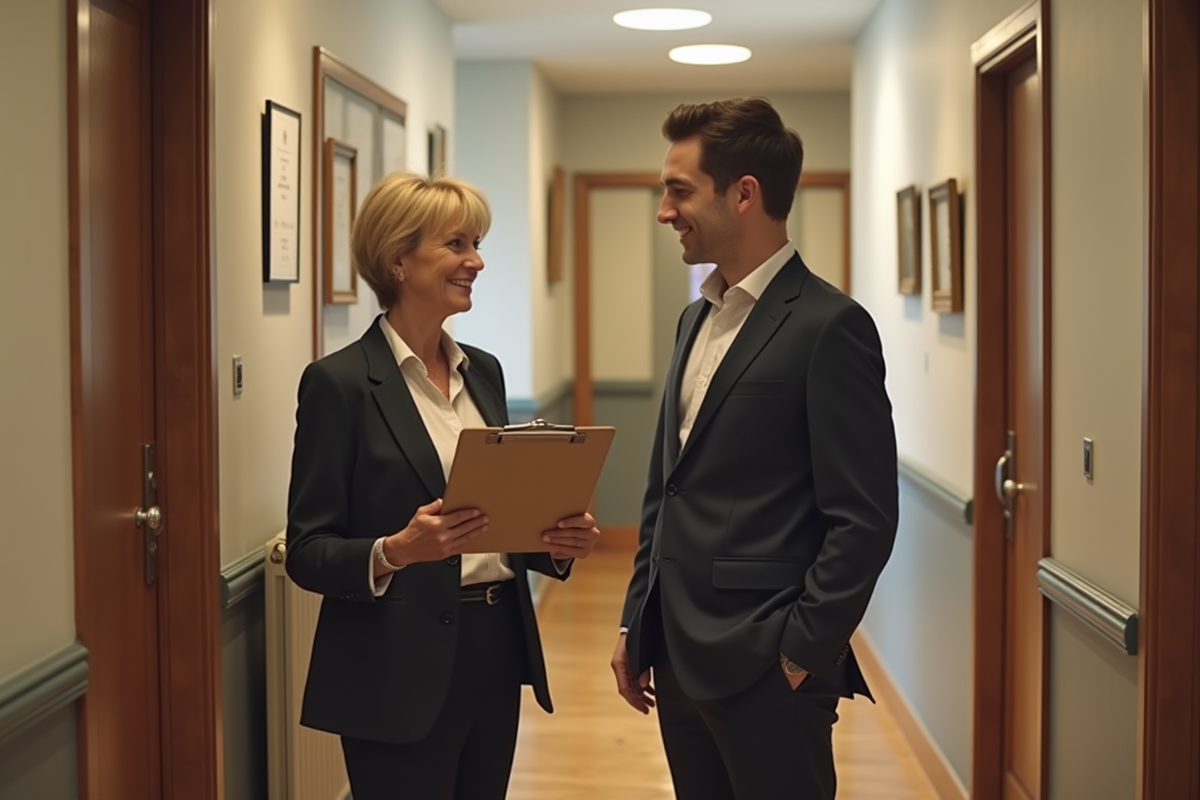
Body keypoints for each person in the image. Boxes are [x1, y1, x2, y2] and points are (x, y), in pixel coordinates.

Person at [610, 97, 899, 800]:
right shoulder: (693, 319)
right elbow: (666, 489)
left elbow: (863, 518)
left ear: (744, 194)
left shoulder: (832, 328)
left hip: (767, 667)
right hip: (674, 657)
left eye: (679, 191)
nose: (664, 211)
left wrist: (802, 650)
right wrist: (635, 619)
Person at [285, 171, 600, 800]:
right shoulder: (339, 385)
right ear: (397, 260)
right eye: (456, 244)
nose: (475, 261)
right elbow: (307, 552)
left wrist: (555, 542)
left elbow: (496, 523)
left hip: (494, 648)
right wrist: (396, 549)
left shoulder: (483, 372)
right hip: (392, 666)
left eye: (476, 243)